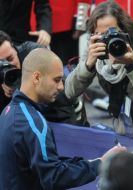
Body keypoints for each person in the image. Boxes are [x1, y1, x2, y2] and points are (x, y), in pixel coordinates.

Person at [0, 48, 126, 189]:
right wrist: (101, 164)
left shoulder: (9, 111)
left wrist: (96, 161)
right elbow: (54, 177)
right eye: (57, 80)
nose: (61, 87)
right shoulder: (33, 123)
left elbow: (46, 164)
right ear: (36, 78)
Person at [65, 1, 133, 138]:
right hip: (123, 127)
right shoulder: (96, 47)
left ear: (125, 30)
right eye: (99, 34)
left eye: (111, 33)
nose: (107, 40)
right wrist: (88, 65)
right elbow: (70, 91)